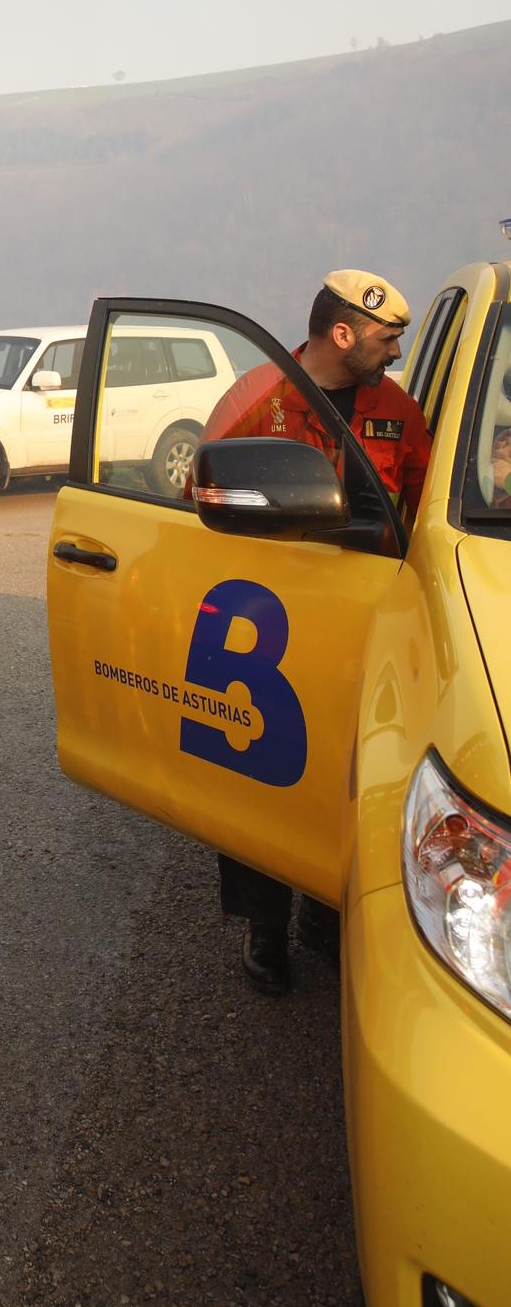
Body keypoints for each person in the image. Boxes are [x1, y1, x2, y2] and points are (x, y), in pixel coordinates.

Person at [200, 269, 433, 993]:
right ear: (342, 334)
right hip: (269, 630)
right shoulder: (253, 400)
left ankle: (323, 920)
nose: (395, 350)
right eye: (386, 337)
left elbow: (425, 508)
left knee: (348, 778)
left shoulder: (398, 408)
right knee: (259, 776)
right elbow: (199, 509)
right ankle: (264, 929)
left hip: (366, 629)